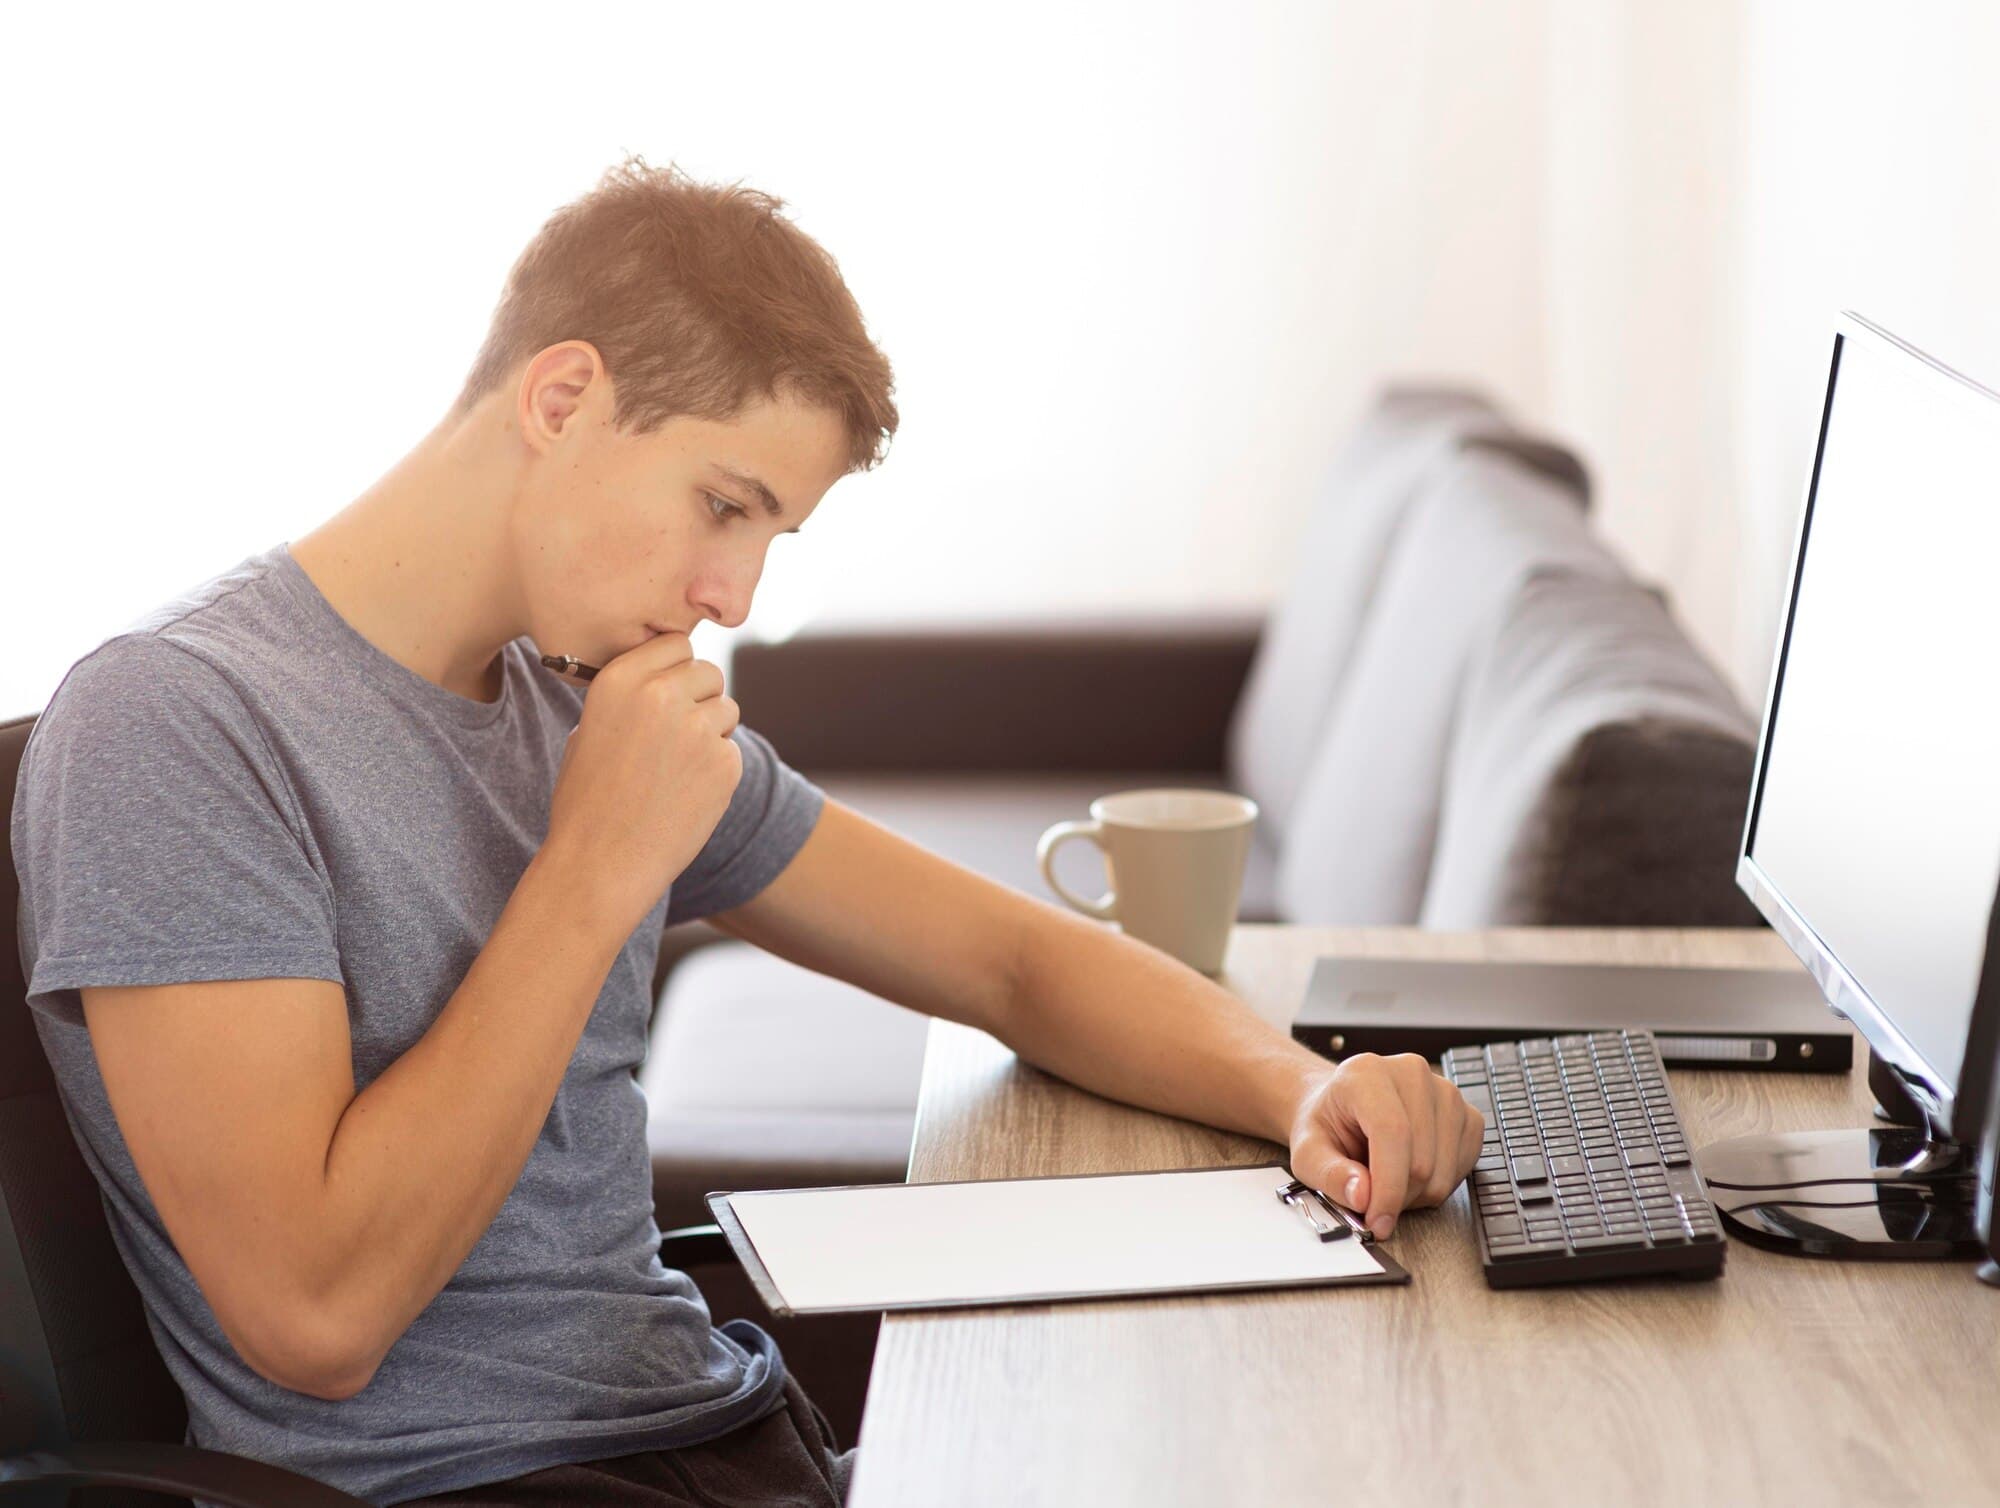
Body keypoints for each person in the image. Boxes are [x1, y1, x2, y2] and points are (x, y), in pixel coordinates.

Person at [9, 154, 1482, 1507]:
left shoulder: (578, 696)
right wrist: (591, 869)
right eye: (725, 505)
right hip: (479, 1484)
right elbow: (313, 1317)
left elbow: (1013, 963)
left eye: (770, 536)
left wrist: (1295, 1091)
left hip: (719, 1437)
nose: (735, 595)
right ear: (562, 396)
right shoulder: (175, 727)